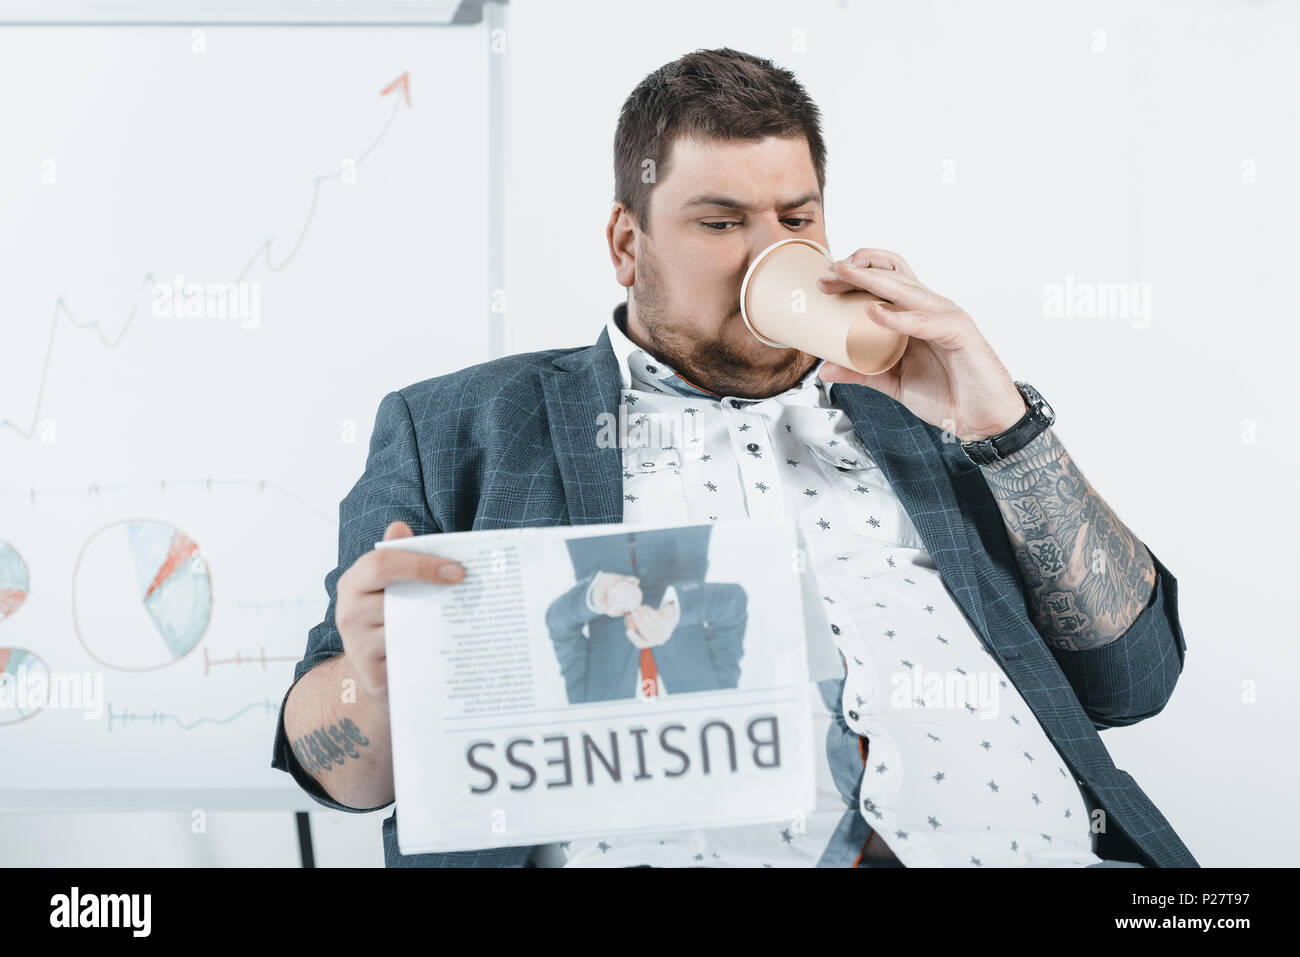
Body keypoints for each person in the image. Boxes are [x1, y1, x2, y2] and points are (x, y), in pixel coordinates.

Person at [270, 47, 1196, 869]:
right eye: (721, 223)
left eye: (797, 218)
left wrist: (1004, 425)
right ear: (627, 244)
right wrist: (383, 683)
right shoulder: (464, 425)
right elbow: (342, 776)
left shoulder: (927, 415)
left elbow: (1135, 680)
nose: (772, 254)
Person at [544, 526, 748, 703]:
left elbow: (559, 625)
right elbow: (734, 606)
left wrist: (596, 596)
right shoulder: (714, 699)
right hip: (677, 527)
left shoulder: (590, 710)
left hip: (594, 536)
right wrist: (677, 610)